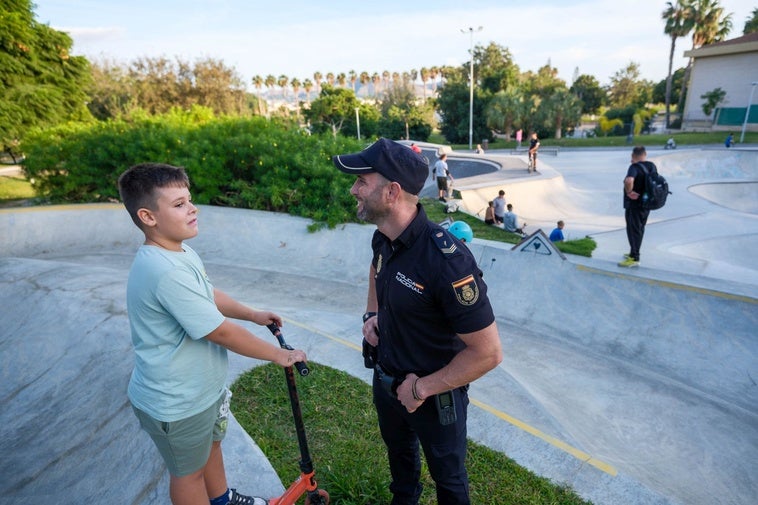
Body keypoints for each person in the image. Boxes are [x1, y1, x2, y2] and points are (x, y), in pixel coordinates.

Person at [117, 163, 307, 505]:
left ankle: (222, 499)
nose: (192, 209)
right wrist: (279, 354)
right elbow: (219, 332)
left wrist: (252, 314)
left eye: (189, 200)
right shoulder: (163, 270)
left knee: (211, 447)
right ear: (148, 216)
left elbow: (208, 295)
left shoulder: (180, 252)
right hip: (175, 402)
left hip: (200, 392)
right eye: (178, 204)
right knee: (187, 475)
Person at [332, 138, 503, 505]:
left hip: (435, 396)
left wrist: (421, 389)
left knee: (450, 482)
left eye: (362, 181)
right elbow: (376, 270)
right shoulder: (384, 238)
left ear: (392, 192)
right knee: (401, 465)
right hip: (387, 380)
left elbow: (487, 353)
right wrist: (372, 314)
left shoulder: (447, 261)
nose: (353, 189)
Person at [620, 146, 655, 267]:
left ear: (633, 156)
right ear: (645, 154)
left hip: (634, 205)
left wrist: (629, 192)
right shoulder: (652, 166)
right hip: (646, 204)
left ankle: (634, 258)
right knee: (639, 229)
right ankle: (633, 252)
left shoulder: (633, 167)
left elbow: (629, 181)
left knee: (633, 230)